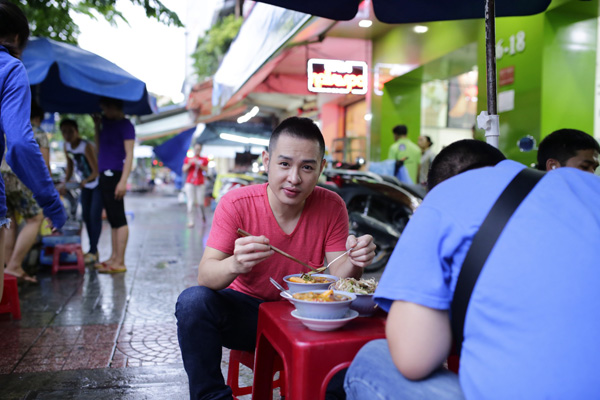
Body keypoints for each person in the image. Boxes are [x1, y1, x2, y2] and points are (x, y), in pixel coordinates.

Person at [344, 139, 600, 399]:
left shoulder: (446, 195)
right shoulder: (588, 185)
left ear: (440, 185)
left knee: (372, 358)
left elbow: (414, 358)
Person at [176, 116, 376, 399]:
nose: (294, 178)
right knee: (193, 303)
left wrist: (356, 259)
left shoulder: (332, 206)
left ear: (320, 168)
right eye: (284, 164)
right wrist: (235, 263)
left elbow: (337, 279)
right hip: (250, 315)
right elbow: (205, 276)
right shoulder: (236, 203)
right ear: (267, 160)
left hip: (307, 314)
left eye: (307, 167)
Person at [0, 0, 66, 292]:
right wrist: (52, 203)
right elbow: (19, 144)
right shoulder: (11, 69)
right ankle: (13, 266)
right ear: (15, 37)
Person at [92, 97, 134, 274]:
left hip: (115, 175)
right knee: (112, 220)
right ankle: (114, 257)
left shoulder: (126, 125)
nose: (104, 111)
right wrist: (96, 126)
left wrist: (123, 181)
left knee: (119, 219)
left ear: (115, 107)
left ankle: (120, 261)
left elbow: (129, 154)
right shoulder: (106, 123)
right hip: (104, 175)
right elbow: (99, 147)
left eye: (106, 108)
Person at [59, 118, 102, 264]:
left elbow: (96, 171)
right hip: (84, 186)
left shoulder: (86, 146)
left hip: (96, 184)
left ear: (76, 131)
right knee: (85, 217)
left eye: (70, 131)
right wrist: (65, 183)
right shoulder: (67, 146)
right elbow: (70, 166)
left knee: (94, 216)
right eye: (64, 132)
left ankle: (93, 250)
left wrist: (86, 180)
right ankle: (92, 250)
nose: (67, 135)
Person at [182, 142, 209, 227]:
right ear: (194, 149)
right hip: (190, 182)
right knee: (190, 202)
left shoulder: (204, 159)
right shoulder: (188, 159)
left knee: (200, 203)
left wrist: (199, 164)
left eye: (199, 149)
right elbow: (184, 170)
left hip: (200, 183)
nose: (198, 151)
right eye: (196, 149)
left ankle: (203, 216)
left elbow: (206, 170)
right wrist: (190, 163)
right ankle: (191, 221)